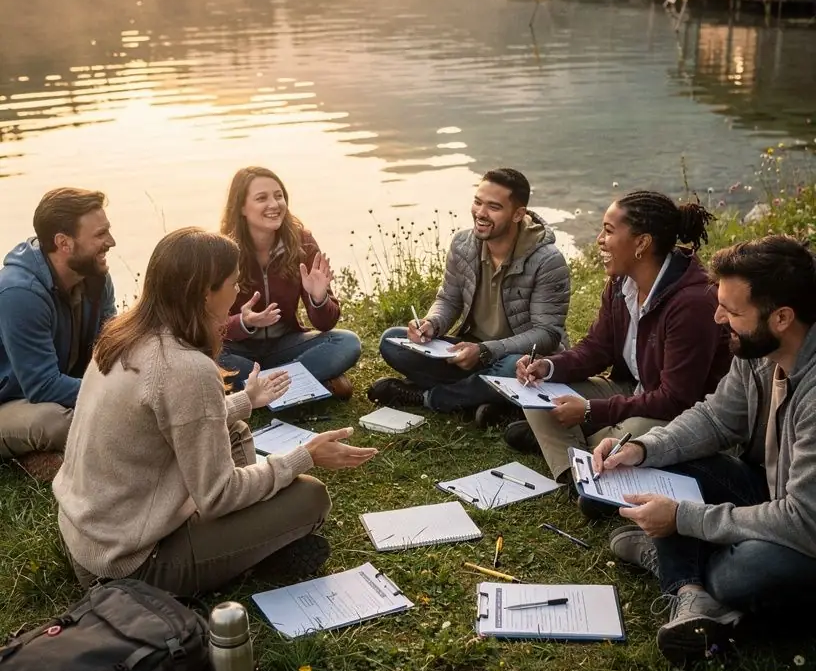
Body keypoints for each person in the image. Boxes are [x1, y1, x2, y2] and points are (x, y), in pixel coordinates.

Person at [53, 228, 377, 595]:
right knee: (310, 497)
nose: (238, 293)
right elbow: (218, 496)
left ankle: (252, 545)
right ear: (206, 293)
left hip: (85, 534)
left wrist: (245, 402)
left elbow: (174, 418)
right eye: (234, 283)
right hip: (130, 566)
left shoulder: (122, 334)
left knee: (236, 429)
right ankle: (257, 554)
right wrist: (306, 456)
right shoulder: (185, 368)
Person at [594, 235, 816, 663]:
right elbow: (715, 419)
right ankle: (693, 591)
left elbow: (802, 521)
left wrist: (683, 518)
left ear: (783, 317)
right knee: (677, 465)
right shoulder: (757, 352)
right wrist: (642, 449)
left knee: (744, 573)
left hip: (804, 528)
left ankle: (680, 564)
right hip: (769, 492)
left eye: (732, 311)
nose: (717, 318)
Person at [505, 190, 731, 480]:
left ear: (642, 243)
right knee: (535, 391)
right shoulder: (621, 282)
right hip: (632, 390)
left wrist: (589, 411)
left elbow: (675, 399)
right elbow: (597, 348)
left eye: (609, 231)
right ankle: (578, 472)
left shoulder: (692, 303)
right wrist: (549, 367)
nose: (600, 239)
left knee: (637, 433)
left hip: (675, 412)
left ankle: (571, 447)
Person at [367, 169, 570, 421]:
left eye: (494, 207)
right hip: (467, 353)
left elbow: (547, 335)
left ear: (518, 214)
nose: (481, 213)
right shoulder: (463, 244)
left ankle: (429, 397)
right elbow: (448, 299)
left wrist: (485, 350)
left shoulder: (548, 260)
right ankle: (489, 399)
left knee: (510, 369)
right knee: (392, 341)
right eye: (477, 202)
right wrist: (432, 323)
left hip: (518, 360)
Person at [0, 187, 116, 478]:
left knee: (108, 409)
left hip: (54, 391)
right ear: (64, 243)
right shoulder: (19, 292)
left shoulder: (96, 276)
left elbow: (113, 347)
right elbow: (43, 386)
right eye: (100, 235)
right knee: (56, 421)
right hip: (14, 401)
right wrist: (116, 394)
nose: (111, 242)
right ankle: (34, 458)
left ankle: (49, 455)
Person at [219, 166, 361, 400]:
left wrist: (318, 298)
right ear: (242, 207)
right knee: (204, 356)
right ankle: (299, 383)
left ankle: (261, 390)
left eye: (279, 196)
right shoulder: (221, 250)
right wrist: (243, 322)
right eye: (261, 198)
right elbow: (208, 325)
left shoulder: (301, 242)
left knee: (346, 342)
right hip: (237, 350)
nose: (274, 204)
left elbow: (326, 324)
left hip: (285, 346)